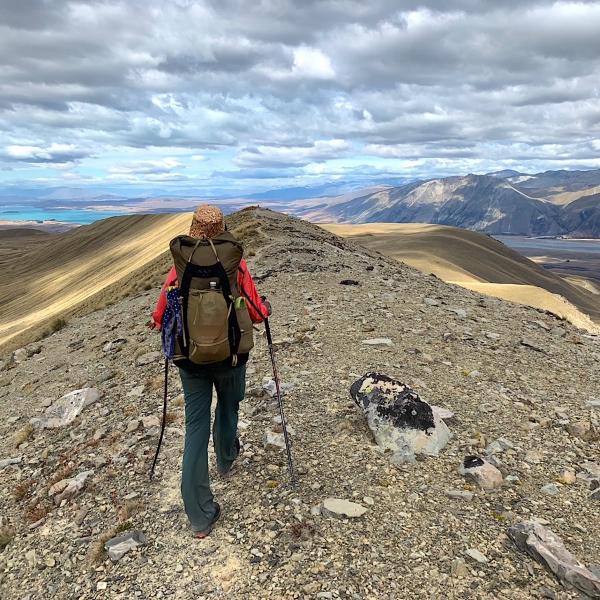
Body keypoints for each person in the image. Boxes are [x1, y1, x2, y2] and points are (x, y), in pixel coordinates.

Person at [151, 204, 270, 538]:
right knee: (229, 405)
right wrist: (264, 309)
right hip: (231, 358)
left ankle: (200, 516)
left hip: (190, 361)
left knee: (194, 428)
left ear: (193, 230)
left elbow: (159, 318)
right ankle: (226, 459)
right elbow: (257, 313)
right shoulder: (236, 266)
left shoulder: (178, 270)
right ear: (223, 229)